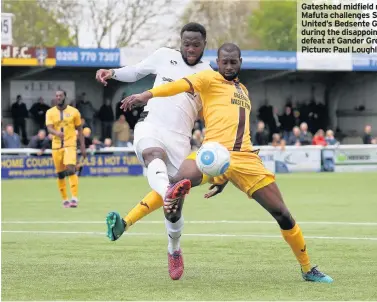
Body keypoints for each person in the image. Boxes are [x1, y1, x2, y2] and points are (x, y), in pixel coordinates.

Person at [121, 43, 333, 283]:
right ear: (218, 62)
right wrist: (147, 94)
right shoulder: (208, 79)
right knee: (175, 182)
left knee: (282, 214)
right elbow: (177, 86)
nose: (229, 66)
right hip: (212, 153)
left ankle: (307, 269)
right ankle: (127, 221)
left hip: (245, 159)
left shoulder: (243, 90)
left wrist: (222, 177)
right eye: (225, 62)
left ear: (240, 62)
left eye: (233, 62)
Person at [95, 23, 225, 261]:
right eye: (186, 44)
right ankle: (168, 193)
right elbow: (135, 71)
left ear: (204, 44)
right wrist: (112, 72)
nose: (191, 49)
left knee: (174, 213)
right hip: (151, 125)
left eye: (196, 45)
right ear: (180, 42)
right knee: (152, 154)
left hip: (181, 140)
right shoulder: (164, 56)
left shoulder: (210, 76)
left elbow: (213, 114)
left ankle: (174, 249)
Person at [46, 90, 86, 208]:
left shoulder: (74, 112)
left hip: (70, 144)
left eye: (60, 96)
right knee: (60, 174)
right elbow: (49, 128)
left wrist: (83, 146)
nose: (58, 98)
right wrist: (57, 133)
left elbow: (80, 129)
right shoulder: (50, 112)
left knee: (70, 168)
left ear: (65, 97)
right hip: (56, 146)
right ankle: (65, 200)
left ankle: (74, 198)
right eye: (56, 96)